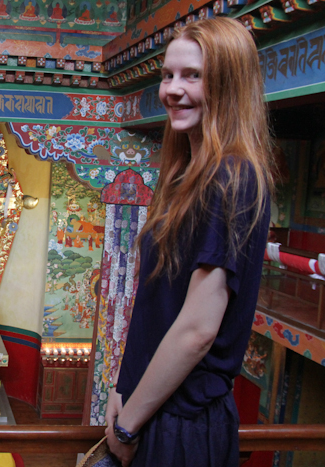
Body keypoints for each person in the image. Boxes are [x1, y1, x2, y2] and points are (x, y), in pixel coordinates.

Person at [104, 17, 273, 467]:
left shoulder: (232, 177)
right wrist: (124, 387)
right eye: (168, 75)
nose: (172, 90)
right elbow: (157, 304)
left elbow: (198, 330)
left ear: (228, 84)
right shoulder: (185, 177)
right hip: (154, 408)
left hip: (184, 421)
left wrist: (127, 424)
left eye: (192, 76)